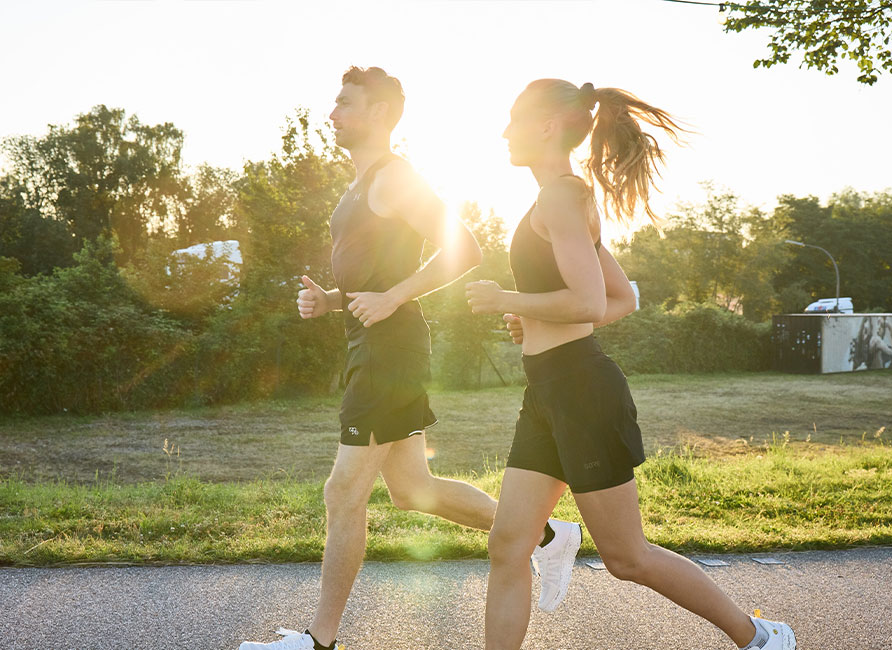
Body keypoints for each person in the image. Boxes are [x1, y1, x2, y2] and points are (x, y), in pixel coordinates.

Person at [239, 67, 581, 650]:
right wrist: (333, 300)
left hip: (389, 351)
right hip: (371, 342)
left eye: (345, 104)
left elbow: (464, 247)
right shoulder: (360, 183)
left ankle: (318, 641)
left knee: (342, 492)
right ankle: (548, 536)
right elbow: (380, 276)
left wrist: (394, 296)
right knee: (412, 490)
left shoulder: (395, 178)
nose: (332, 114)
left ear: (381, 114)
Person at [465, 79, 797, 650]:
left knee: (626, 557)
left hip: (582, 392)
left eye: (514, 118)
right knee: (507, 545)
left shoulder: (562, 198)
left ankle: (760, 637)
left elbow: (592, 303)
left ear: (546, 125)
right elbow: (620, 298)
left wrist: (508, 301)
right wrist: (539, 320)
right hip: (547, 391)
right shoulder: (558, 198)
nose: (504, 131)